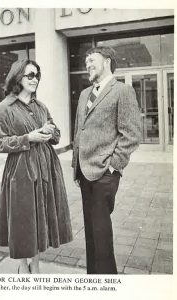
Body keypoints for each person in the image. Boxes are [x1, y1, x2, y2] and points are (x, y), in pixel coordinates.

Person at [0, 59, 72, 274]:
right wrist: (28, 137)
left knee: (40, 218)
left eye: (36, 75)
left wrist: (50, 131)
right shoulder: (3, 108)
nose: (34, 79)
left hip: (46, 167)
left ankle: (35, 266)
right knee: (23, 218)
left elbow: (56, 135)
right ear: (18, 77)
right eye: (30, 75)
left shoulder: (41, 106)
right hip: (21, 170)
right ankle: (22, 267)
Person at [72, 46, 141, 274]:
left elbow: (131, 134)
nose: (87, 64)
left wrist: (113, 167)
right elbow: (79, 131)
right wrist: (76, 167)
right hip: (84, 173)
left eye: (91, 60)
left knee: (101, 236)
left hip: (104, 175)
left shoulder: (122, 91)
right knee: (91, 235)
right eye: (85, 61)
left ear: (107, 61)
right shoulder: (84, 94)